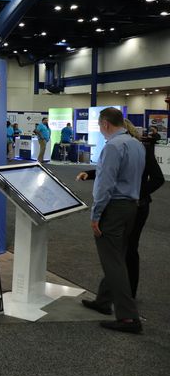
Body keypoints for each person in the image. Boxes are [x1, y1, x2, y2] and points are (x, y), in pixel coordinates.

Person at [77, 120, 164, 301]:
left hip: (135, 206)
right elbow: (114, 171)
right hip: (127, 204)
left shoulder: (139, 148)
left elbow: (158, 179)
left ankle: (126, 297)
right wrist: (91, 174)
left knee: (127, 250)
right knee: (117, 252)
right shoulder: (130, 146)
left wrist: (136, 194)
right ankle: (107, 298)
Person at [77, 108, 145, 334]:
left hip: (114, 210)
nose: (99, 130)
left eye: (99, 125)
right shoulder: (136, 143)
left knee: (113, 261)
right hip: (130, 208)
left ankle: (128, 318)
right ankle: (103, 301)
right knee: (117, 256)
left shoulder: (113, 147)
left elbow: (105, 186)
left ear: (105, 124)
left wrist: (96, 215)